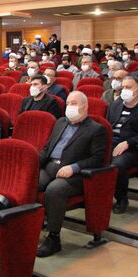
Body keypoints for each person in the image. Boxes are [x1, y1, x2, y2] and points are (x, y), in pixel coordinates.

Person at [36, 91, 107, 257]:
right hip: (50, 167)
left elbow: (97, 159)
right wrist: (33, 164)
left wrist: (74, 167)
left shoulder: (97, 129)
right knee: (28, 182)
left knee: (54, 190)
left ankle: (54, 238)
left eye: (74, 104)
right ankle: (31, 226)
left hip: (74, 175)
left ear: (85, 106)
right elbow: (47, 147)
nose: (70, 107)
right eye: (68, 103)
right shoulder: (60, 122)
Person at [107, 76, 138, 214]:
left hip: (132, 147)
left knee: (117, 165)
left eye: (128, 87)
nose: (124, 90)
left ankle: (121, 199)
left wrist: (128, 143)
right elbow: (106, 126)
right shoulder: (115, 104)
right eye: (123, 87)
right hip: (110, 143)